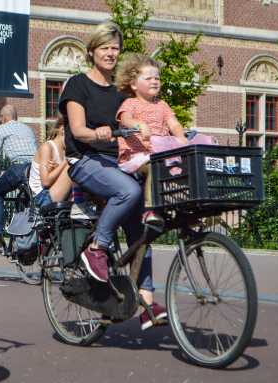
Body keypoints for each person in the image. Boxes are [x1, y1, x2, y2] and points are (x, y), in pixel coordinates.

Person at [58, 22, 166, 330]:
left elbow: (136, 116)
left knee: (141, 228)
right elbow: (77, 130)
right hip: (86, 158)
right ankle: (97, 249)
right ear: (92, 51)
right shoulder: (78, 84)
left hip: (116, 160)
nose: (110, 52)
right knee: (128, 193)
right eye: (105, 47)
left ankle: (145, 301)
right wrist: (96, 133)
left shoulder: (121, 92)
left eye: (115, 48)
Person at [115, 53, 188, 226]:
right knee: (155, 167)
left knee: (183, 168)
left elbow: (174, 124)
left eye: (157, 78)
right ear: (133, 84)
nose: (154, 81)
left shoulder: (162, 105)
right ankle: (148, 209)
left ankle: (183, 209)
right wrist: (139, 125)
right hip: (136, 156)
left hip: (158, 153)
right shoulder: (130, 103)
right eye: (148, 78)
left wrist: (181, 137)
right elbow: (125, 119)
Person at [0, 104, 38, 249]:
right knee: (28, 199)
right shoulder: (27, 129)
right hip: (36, 168)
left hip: (19, 167)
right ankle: (25, 235)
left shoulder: (1, 129)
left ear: (3, 117)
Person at [28, 116, 71, 208]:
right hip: (43, 196)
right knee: (73, 163)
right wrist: (65, 162)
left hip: (55, 191)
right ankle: (80, 203)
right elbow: (46, 182)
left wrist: (58, 168)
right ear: (62, 130)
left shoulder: (65, 151)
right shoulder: (47, 147)